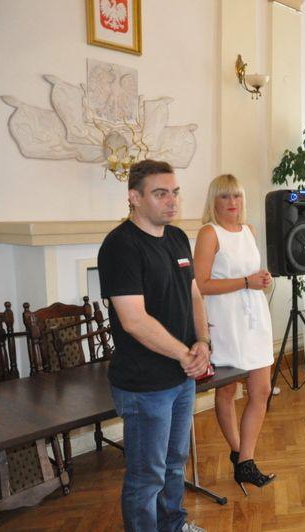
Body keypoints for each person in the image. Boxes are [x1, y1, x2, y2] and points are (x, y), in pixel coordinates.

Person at [98, 159, 210, 532]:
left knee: (175, 463)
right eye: (160, 193)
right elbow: (134, 320)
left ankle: (173, 525)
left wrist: (203, 342)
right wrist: (185, 354)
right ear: (134, 197)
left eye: (174, 192)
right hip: (144, 384)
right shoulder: (120, 246)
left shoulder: (176, 238)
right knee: (147, 475)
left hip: (181, 376)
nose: (172, 201)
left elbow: (194, 295)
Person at [193, 174, 276, 495]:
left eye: (237, 196)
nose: (232, 203)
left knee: (261, 390)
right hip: (224, 321)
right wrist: (245, 282)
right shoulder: (209, 233)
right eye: (225, 197)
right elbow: (200, 285)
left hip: (254, 318)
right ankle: (240, 453)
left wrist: (261, 279)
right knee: (227, 392)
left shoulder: (249, 231)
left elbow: (250, 275)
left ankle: (245, 459)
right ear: (213, 201)